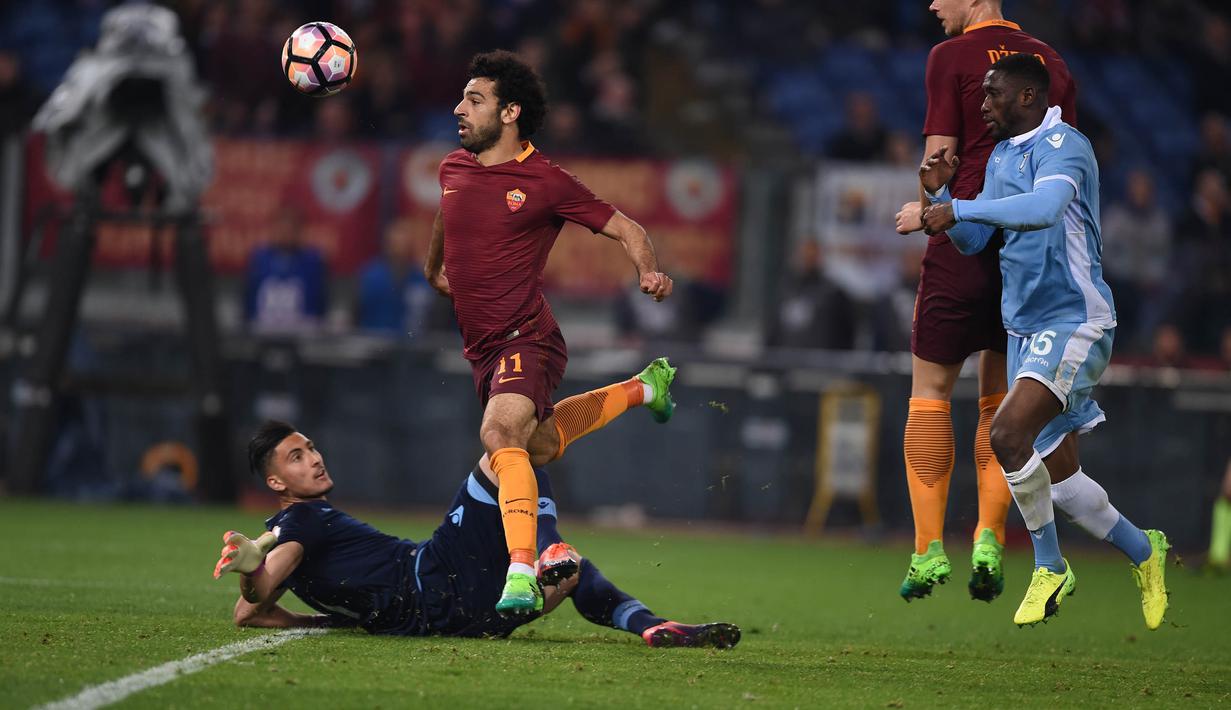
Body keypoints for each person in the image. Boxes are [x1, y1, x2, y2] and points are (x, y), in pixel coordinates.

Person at [917, 54, 1169, 628]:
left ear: (1029, 96)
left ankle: (1050, 566)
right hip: (1025, 327)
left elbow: (1046, 207)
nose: (982, 107)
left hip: (1075, 319)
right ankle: (1145, 552)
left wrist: (957, 204)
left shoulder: (1066, 145)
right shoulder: (1003, 155)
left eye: (993, 95)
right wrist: (946, 195)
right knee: (1063, 484)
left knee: (1006, 434)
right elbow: (978, 237)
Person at [422, 50, 674, 616]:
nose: (458, 108)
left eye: (474, 100)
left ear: (509, 112)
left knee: (499, 435)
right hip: (482, 348)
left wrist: (648, 270)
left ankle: (521, 570)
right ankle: (643, 389)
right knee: (537, 445)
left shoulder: (545, 180)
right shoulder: (453, 168)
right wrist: (433, 266)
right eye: (463, 98)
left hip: (526, 337)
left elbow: (626, 227)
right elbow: (447, 213)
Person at [213, 421, 740, 649]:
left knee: (570, 573)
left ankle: (648, 626)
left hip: (456, 622)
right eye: (297, 457)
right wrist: (254, 572)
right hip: (432, 576)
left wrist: (320, 619)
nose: (316, 457)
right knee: (507, 454)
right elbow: (260, 589)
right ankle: (551, 543)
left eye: (311, 447)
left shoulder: (288, 529)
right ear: (277, 482)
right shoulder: (302, 520)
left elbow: (249, 610)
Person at [892, 0, 1077, 604]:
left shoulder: (951, 56)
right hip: (1026, 256)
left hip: (961, 237)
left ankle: (926, 553)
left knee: (930, 393)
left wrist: (926, 209)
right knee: (999, 402)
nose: (933, 5)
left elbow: (939, 158)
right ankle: (989, 538)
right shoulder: (1051, 65)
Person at [243, 207, 328, 335]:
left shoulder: (312, 261)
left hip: (302, 332)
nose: (284, 234)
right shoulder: (259, 258)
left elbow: (320, 303)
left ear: (299, 231)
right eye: (280, 228)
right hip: (263, 331)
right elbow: (248, 299)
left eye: (290, 229)